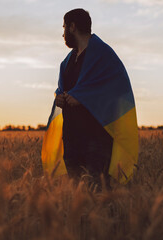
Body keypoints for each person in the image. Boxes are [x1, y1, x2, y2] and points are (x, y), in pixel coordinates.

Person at [41, 9, 138, 187]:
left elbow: (116, 90)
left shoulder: (104, 55)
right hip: (71, 139)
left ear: (72, 27)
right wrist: (60, 98)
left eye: (64, 28)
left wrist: (84, 98)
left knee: (97, 191)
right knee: (76, 194)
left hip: (97, 139)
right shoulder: (68, 61)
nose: (62, 34)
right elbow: (66, 89)